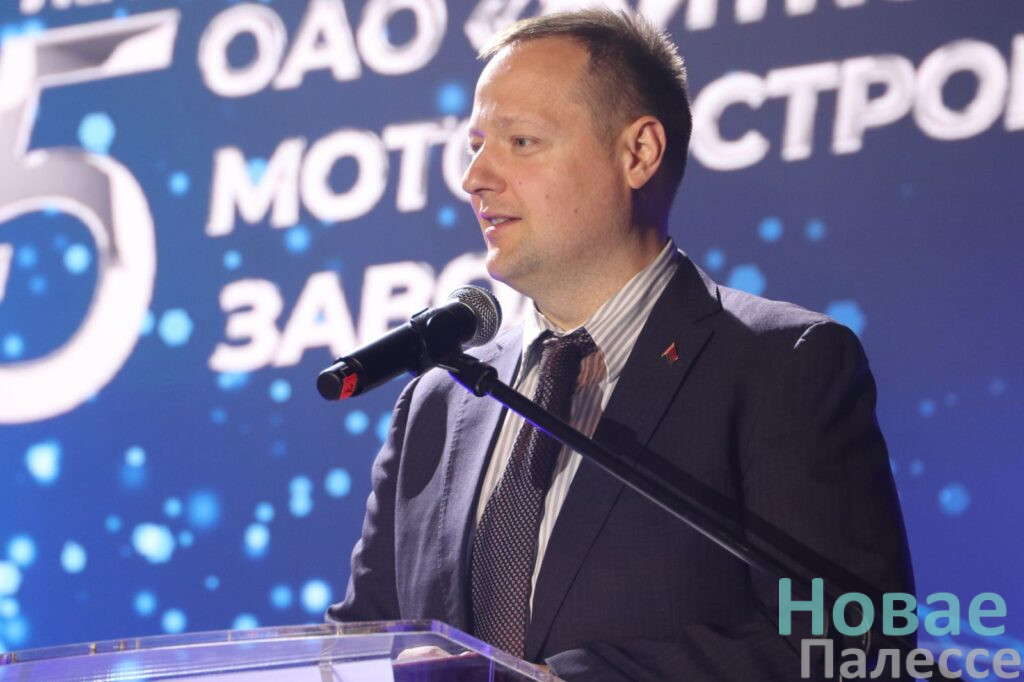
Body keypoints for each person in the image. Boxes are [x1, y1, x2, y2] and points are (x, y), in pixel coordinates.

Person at [328, 9, 913, 680]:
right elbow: (359, 646)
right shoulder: (438, 400)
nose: (475, 178)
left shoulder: (782, 365)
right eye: (476, 145)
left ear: (638, 153)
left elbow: (854, 644)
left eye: (521, 141)